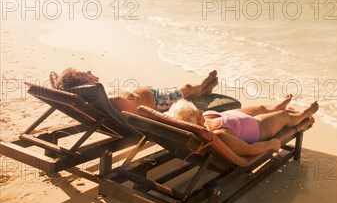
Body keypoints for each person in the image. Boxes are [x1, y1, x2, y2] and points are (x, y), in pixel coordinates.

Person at [165, 94, 319, 156]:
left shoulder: (205, 118)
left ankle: (275, 107)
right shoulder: (218, 134)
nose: (200, 110)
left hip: (237, 118)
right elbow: (248, 149)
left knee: (263, 108)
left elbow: (226, 116)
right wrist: (272, 143)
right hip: (258, 128)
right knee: (284, 117)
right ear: (196, 122)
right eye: (197, 112)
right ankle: (303, 115)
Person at [55, 67, 220, 113]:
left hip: (152, 95)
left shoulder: (96, 95)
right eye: (86, 73)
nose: (90, 72)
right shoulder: (111, 98)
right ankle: (204, 87)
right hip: (158, 101)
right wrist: (128, 95)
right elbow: (133, 109)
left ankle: (204, 88)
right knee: (187, 89)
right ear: (83, 81)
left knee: (183, 90)